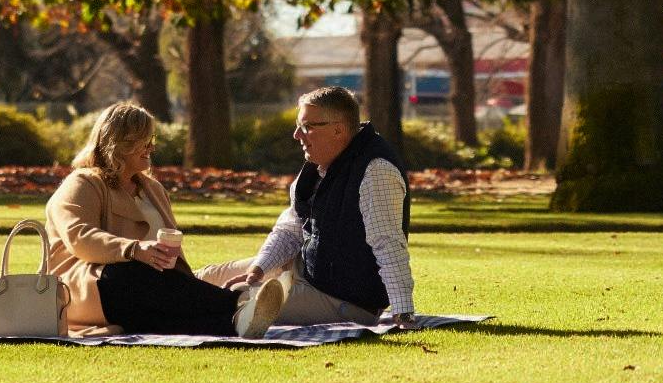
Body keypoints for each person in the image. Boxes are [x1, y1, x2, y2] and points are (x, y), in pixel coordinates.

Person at [38, 100, 284, 336]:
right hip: (91, 288)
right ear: (120, 144)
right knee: (131, 275)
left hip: (153, 289)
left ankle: (235, 323)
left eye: (151, 140)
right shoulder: (83, 183)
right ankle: (238, 301)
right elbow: (79, 237)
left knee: (158, 307)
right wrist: (134, 250)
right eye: (145, 142)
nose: (152, 148)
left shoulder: (153, 190)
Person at [200, 85, 415, 327]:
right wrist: (259, 269)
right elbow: (290, 229)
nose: (296, 135)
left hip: (342, 299)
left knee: (228, 298)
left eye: (307, 127)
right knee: (206, 278)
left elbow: (388, 244)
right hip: (302, 272)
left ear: (338, 130)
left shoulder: (375, 170)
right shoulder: (318, 164)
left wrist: (403, 315)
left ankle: (240, 310)